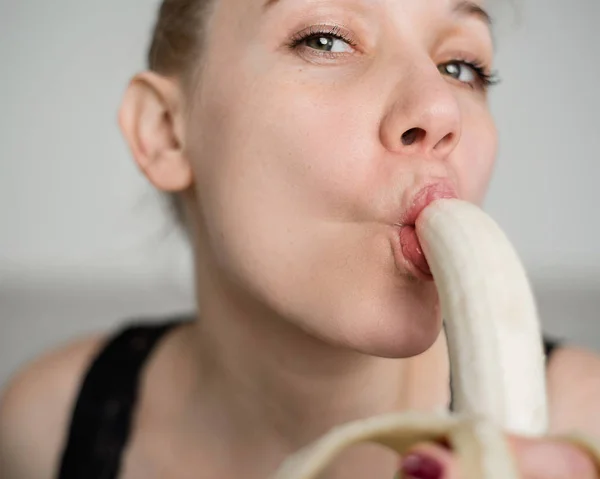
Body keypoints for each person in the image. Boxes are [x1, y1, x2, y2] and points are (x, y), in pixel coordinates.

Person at [1, 0, 600, 478]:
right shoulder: (42, 429)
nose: (440, 109)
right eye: (326, 39)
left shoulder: (587, 433)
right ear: (165, 133)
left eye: (461, 67)